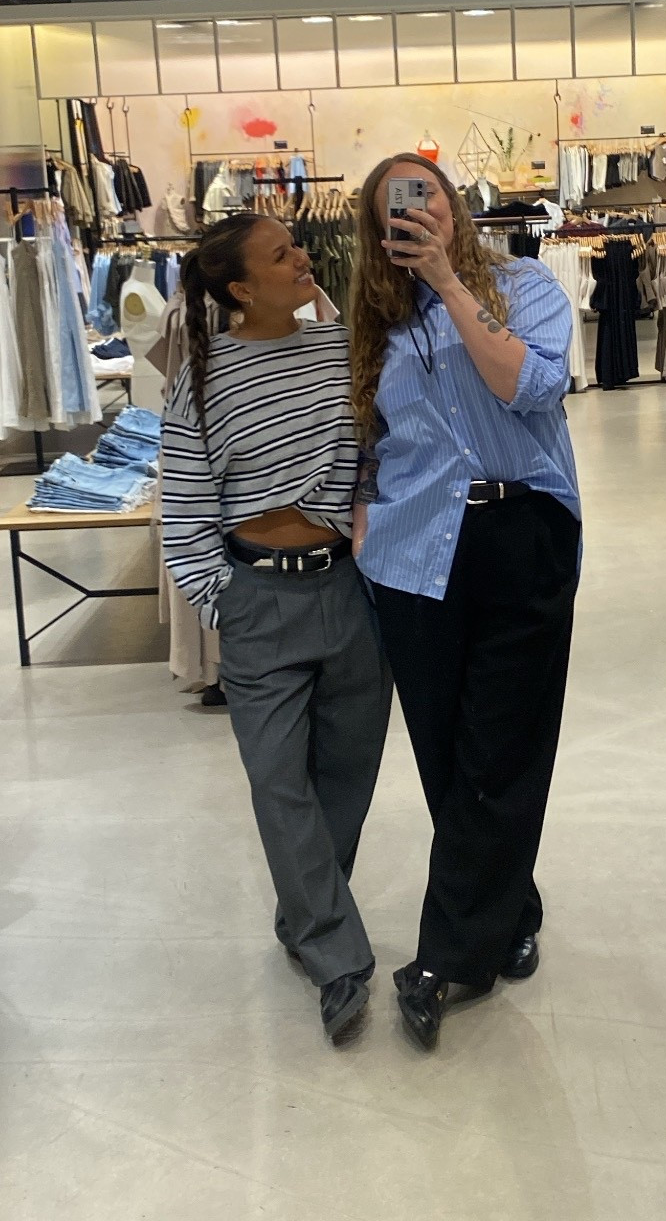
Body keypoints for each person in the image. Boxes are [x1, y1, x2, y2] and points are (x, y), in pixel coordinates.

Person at [351, 154, 581, 1049]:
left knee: (503, 745)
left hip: (521, 535)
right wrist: (363, 520)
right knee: (447, 751)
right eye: (399, 208)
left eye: (430, 198)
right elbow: (366, 436)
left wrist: (449, 283)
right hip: (412, 553)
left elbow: (532, 386)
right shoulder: (375, 323)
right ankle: (508, 904)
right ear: (378, 231)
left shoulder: (525, 289)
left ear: (455, 207)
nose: (421, 214)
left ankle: (447, 958)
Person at [161, 213, 392, 1041]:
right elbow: (184, 508)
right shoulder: (200, 379)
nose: (303, 257)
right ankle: (337, 954)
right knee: (276, 780)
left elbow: (376, 458)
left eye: (297, 244)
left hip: (349, 592)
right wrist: (225, 602)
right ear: (240, 287)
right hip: (259, 596)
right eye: (281, 253)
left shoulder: (342, 350)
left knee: (348, 773)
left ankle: (306, 916)